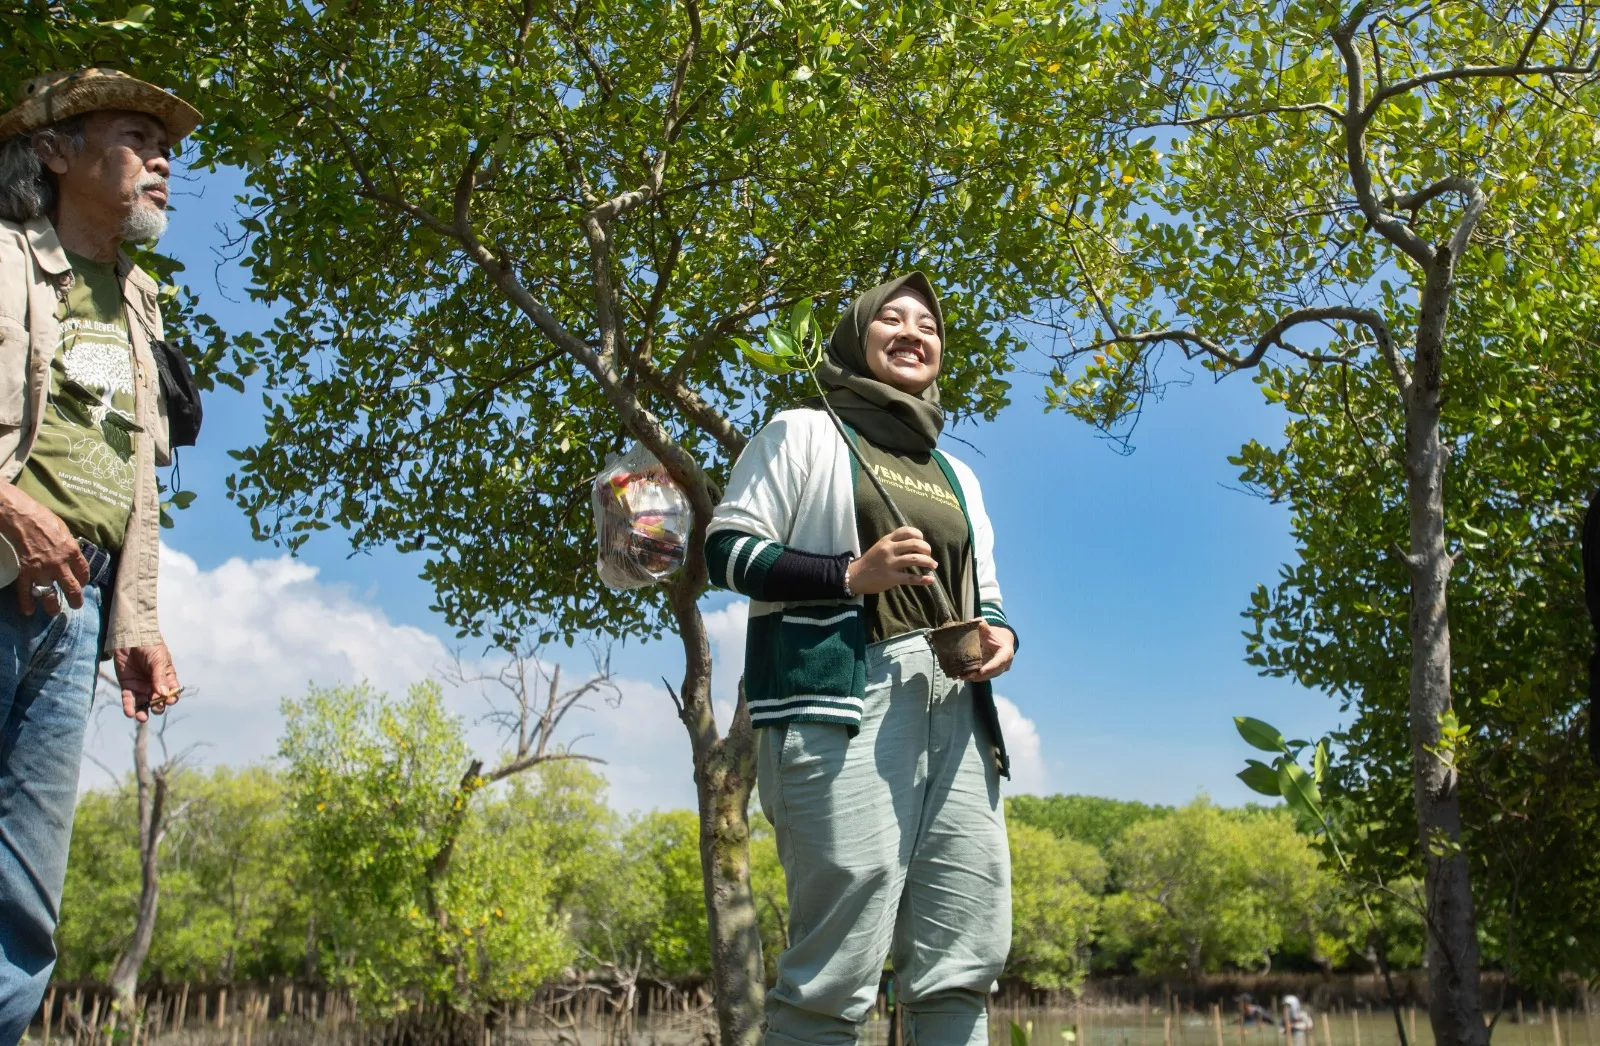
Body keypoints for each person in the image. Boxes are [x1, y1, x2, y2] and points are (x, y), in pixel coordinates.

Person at [707, 273, 1019, 1046]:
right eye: (893, 317)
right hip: (843, 699)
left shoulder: (958, 475)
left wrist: (1004, 637)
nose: (915, 332)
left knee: (963, 946)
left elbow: (987, 593)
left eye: (929, 325)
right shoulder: (804, 431)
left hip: (956, 708)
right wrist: (848, 575)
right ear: (855, 336)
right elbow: (725, 551)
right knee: (836, 964)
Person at [0, 67, 198, 1039]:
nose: (163, 160)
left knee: (26, 903)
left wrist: (140, 621)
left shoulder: (138, 305)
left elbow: (134, 481)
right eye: (135, 137)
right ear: (54, 151)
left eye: (169, 148)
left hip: (75, 614)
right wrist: (7, 506)